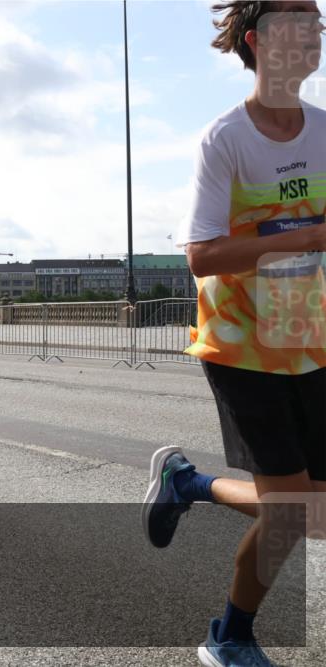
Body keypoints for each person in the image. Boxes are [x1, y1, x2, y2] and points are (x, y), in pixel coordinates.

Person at [143, 4, 326, 666]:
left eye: (319, 22)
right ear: (257, 41)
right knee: (292, 514)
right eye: (300, 22)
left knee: (311, 514)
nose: (315, 34)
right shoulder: (225, 139)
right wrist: (308, 234)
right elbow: (201, 256)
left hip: (310, 337)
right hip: (242, 343)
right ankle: (229, 637)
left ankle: (187, 484)